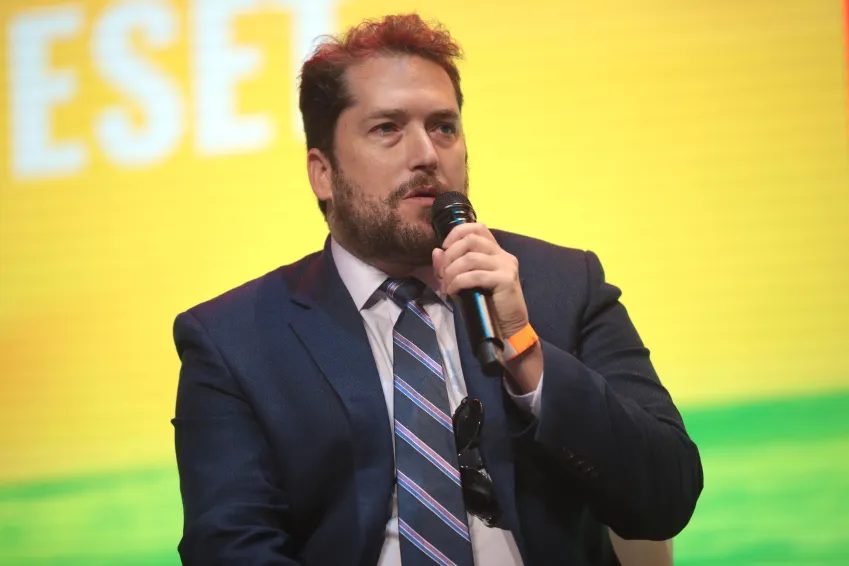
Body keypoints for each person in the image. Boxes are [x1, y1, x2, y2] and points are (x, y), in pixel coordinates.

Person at [172, 13, 702, 566]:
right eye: (388, 128)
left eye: (444, 127)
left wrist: (525, 349)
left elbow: (667, 496)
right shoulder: (235, 341)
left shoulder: (562, 285)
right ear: (322, 173)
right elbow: (230, 546)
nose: (427, 153)